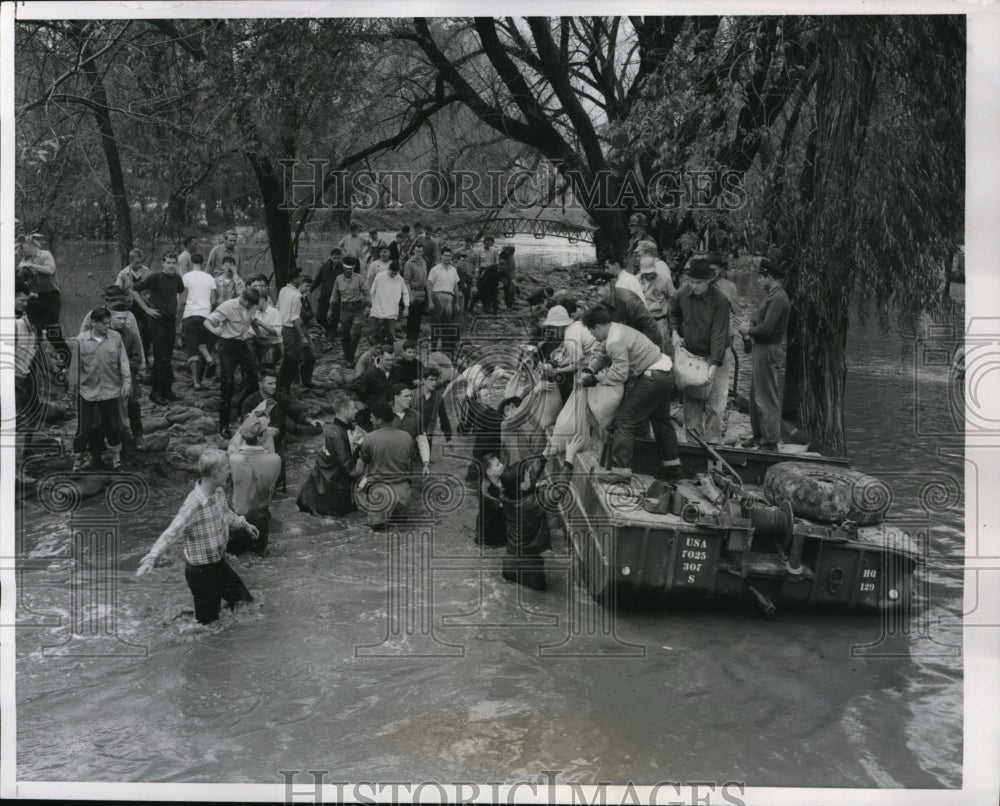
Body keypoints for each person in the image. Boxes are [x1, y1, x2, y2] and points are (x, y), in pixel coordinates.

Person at [136, 449, 257, 625]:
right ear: (216, 473)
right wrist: (152, 557)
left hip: (219, 565)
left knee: (245, 603)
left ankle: (219, 621)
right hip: (201, 574)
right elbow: (172, 533)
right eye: (226, 469)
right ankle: (172, 626)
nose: (229, 472)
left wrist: (244, 524)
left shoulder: (218, 492)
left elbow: (226, 514)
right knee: (206, 625)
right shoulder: (193, 505)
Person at [581, 305, 681, 483]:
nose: (591, 336)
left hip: (653, 377)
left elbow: (620, 374)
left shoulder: (614, 341)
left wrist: (596, 379)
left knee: (625, 420)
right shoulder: (617, 329)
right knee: (661, 422)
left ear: (597, 326)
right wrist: (590, 368)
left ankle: (621, 471)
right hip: (666, 372)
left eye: (590, 331)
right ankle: (673, 468)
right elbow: (603, 355)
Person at [667, 257, 733, 445]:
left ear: (708, 281)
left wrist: (713, 364)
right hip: (692, 352)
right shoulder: (681, 294)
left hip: (717, 352)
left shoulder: (720, 300)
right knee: (692, 397)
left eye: (698, 283)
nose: (693, 286)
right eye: (691, 281)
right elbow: (672, 311)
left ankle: (712, 441)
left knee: (716, 401)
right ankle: (694, 441)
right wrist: (674, 332)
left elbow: (719, 334)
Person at [81, 288, 146, 450]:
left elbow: (137, 345)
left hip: (126, 374)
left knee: (132, 403)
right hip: (100, 375)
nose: (123, 320)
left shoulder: (129, 323)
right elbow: (82, 339)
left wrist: (138, 367)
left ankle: (137, 435)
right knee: (100, 410)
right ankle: (99, 444)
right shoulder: (93, 316)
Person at [67, 307, 131, 471]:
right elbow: (75, 367)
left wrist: (126, 383)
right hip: (87, 391)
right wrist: (71, 390)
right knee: (84, 428)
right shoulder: (81, 340)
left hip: (111, 390)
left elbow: (123, 361)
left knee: (112, 426)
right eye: (104, 323)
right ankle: (78, 459)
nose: (107, 326)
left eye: (109, 323)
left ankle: (116, 460)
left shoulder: (116, 338)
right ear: (93, 322)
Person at [738, 258, 791, 452]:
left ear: (769, 276)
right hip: (762, 349)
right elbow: (763, 319)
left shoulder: (778, 298)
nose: (758, 281)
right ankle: (759, 434)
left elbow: (768, 329)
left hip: (768, 349)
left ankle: (770, 440)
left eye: (761, 277)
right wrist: (751, 322)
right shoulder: (772, 296)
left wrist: (749, 331)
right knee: (755, 395)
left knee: (766, 396)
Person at [241, 366, 323, 491]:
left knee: (279, 468)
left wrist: (311, 421)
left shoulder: (281, 398)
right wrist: (263, 431)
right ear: (260, 384)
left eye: (275, 383)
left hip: (278, 441)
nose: (274, 386)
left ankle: (279, 493)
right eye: (270, 383)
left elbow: (296, 412)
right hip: (258, 444)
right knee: (258, 477)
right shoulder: (250, 402)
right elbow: (246, 427)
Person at [203, 287, 263, 439]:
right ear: (243, 298)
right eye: (249, 304)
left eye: (253, 305)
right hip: (227, 346)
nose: (251, 307)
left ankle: (241, 408)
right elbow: (207, 321)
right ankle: (224, 425)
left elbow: (252, 321)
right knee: (227, 383)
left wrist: (258, 334)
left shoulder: (253, 305)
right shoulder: (228, 306)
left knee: (257, 379)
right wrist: (214, 330)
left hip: (242, 346)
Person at [131, 252, 185, 404]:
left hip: (170, 320)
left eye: (174, 263)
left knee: (168, 357)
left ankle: (167, 391)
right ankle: (155, 393)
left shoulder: (177, 278)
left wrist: (179, 309)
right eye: (168, 262)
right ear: (163, 263)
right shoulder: (156, 277)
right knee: (160, 357)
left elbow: (181, 293)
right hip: (157, 320)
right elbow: (134, 289)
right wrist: (146, 309)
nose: (171, 265)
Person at [297, 394, 363, 517]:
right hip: (327, 492)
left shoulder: (339, 428)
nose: (356, 411)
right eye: (353, 408)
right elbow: (349, 468)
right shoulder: (336, 433)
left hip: (325, 484)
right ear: (344, 410)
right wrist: (363, 457)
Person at [226, 415, 282, 556]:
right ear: (260, 437)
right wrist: (267, 436)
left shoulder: (233, 459)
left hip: (237, 519)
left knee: (235, 556)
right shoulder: (275, 460)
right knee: (258, 556)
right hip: (260, 519)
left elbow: (234, 444)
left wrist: (251, 429)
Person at [358, 402, 416, 531]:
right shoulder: (406, 437)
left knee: (377, 537)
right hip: (403, 493)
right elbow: (409, 465)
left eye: (372, 417)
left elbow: (358, 470)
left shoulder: (369, 438)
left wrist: (356, 450)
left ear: (379, 420)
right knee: (401, 534)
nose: (371, 420)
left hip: (381, 494)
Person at [499, 457, 551, 591]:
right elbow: (558, 493)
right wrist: (568, 462)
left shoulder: (505, 496)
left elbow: (527, 481)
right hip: (529, 568)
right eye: (527, 475)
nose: (530, 474)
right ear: (521, 486)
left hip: (509, 564)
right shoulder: (530, 504)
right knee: (540, 601)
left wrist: (544, 455)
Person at [590, 255, 661, 347]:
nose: (592, 294)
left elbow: (651, 327)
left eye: (596, 290)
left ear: (607, 285)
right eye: (590, 291)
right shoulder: (603, 304)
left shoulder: (626, 300)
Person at [18, 234, 67, 361]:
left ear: (32, 245)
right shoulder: (25, 259)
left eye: (23, 247)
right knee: (35, 329)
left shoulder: (45, 255)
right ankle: (38, 361)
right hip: (36, 296)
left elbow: (50, 270)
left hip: (51, 296)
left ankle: (67, 359)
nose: (22, 250)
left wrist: (31, 266)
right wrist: (23, 269)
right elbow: (20, 277)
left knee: (52, 331)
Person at [14, 298, 47, 480]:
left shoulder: (36, 331)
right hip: (10, 380)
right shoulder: (15, 327)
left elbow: (36, 354)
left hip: (25, 379)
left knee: (26, 424)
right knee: (18, 426)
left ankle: (20, 464)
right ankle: (17, 472)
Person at [181, 252, 218, 390]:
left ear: (191, 262)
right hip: (205, 315)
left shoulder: (186, 277)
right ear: (203, 263)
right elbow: (214, 300)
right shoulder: (209, 278)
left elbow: (183, 299)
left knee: (192, 349)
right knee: (202, 344)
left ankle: (196, 382)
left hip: (190, 314)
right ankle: (209, 358)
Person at [329, 256, 369, 365]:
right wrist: (330, 310)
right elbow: (334, 295)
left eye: (350, 269)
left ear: (353, 268)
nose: (348, 271)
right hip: (345, 309)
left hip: (357, 308)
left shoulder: (359, 278)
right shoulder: (338, 279)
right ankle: (348, 356)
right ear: (343, 267)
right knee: (345, 334)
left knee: (355, 334)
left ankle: (350, 358)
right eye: (346, 268)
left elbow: (366, 292)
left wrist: (368, 306)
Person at [387, 382, 431, 477]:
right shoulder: (384, 413)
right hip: (386, 462)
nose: (410, 399)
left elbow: (422, 440)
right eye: (406, 396)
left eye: (410, 396)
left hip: (407, 463)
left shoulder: (416, 416)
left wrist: (426, 463)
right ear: (396, 397)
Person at [276, 273, 308, 392]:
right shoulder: (296, 295)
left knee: (289, 358)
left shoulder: (283, 289)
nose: (301, 279)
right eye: (299, 277)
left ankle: (289, 384)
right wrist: (302, 336)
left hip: (282, 326)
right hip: (290, 330)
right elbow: (294, 319)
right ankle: (284, 385)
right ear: (294, 279)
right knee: (290, 358)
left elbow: (278, 307)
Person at [426, 246, 461, 353]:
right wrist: (430, 301)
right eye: (445, 255)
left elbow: (455, 286)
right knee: (436, 324)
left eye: (449, 256)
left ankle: (446, 350)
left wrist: (457, 302)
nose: (447, 258)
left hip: (449, 298)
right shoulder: (435, 269)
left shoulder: (453, 270)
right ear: (441, 256)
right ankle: (434, 349)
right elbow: (429, 284)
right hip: (437, 296)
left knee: (448, 324)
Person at [368, 260, 410, 346]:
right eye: (392, 272)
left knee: (390, 335)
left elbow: (405, 293)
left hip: (391, 311)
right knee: (373, 332)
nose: (393, 275)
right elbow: (372, 291)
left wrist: (406, 307)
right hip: (377, 309)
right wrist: (370, 305)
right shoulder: (379, 276)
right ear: (388, 269)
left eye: (395, 273)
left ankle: (388, 353)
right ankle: (374, 352)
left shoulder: (400, 279)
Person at [248, 274, 283, 370]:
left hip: (272, 345)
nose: (254, 304)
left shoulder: (274, 312)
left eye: (256, 302)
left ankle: (268, 376)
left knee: (267, 362)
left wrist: (261, 323)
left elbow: (277, 333)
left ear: (263, 300)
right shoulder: (253, 310)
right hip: (258, 343)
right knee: (248, 352)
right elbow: (251, 329)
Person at [638, 255, 674, 346]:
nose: (648, 275)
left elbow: (673, 298)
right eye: (646, 273)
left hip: (659, 320)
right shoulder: (636, 280)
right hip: (642, 322)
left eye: (650, 273)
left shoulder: (664, 280)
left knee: (663, 348)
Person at [414, 366, 452, 448]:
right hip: (411, 435)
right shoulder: (412, 395)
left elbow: (443, 418)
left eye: (436, 380)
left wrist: (448, 438)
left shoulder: (438, 398)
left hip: (428, 436)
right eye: (431, 380)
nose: (434, 383)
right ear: (423, 380)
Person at [475, 452, 506, 547]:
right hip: (487, 532)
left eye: (500, 463)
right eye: (497, 465)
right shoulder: (485, 488)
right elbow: (491, 503)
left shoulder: (500, 478)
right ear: (489, 472)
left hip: (499, 523)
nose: (502, 465)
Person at [314, 247, 343, 337]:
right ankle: (329, 330)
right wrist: (310, 290)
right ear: (330, 257)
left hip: (336, 297)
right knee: (319, 317)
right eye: (334, 258)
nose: (336, 260)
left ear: (341, 258)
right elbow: (317, 280)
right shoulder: (324, 267)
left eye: (338, 258)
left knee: (334, 318)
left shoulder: (343, 269)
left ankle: (331, 335)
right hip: (324, 295)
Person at [402, 243, 429, 340]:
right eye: (417, 251)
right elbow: (406, 281)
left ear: (423, 252)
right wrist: (410, 296)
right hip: (413, 293)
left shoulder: (424, 262)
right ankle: (410, 340)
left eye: (421, 251)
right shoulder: (409, 264)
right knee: (411, 320)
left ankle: (415, 339)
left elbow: (425, 280)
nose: (419, 253)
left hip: (422, 294)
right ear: (414, 251)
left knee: (418, 319)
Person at [499, 244, 518, 311]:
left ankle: (510, 305)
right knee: (507, 290)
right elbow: (500, 266)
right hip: (505, 275)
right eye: (508, 250)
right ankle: (508, 305)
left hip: (511, 275)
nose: (509, 251)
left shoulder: (510, 256)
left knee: (511, 290)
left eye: (510, 250)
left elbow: (512, 267)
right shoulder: (503, 255)